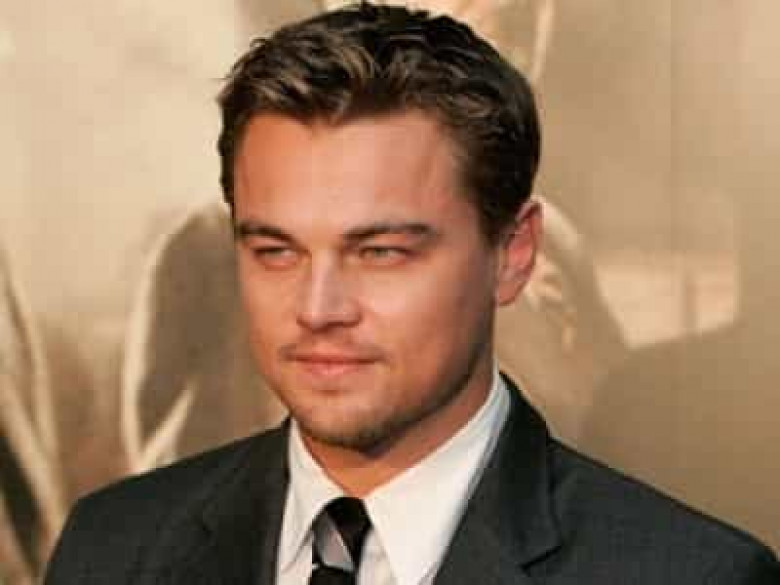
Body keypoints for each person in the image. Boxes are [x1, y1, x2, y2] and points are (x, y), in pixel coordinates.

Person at [44, 2, 779, 583]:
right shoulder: (111, 550)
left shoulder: (688, 574)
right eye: (276, 251)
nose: (318, 308)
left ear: (513, 253)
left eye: (381, 252)